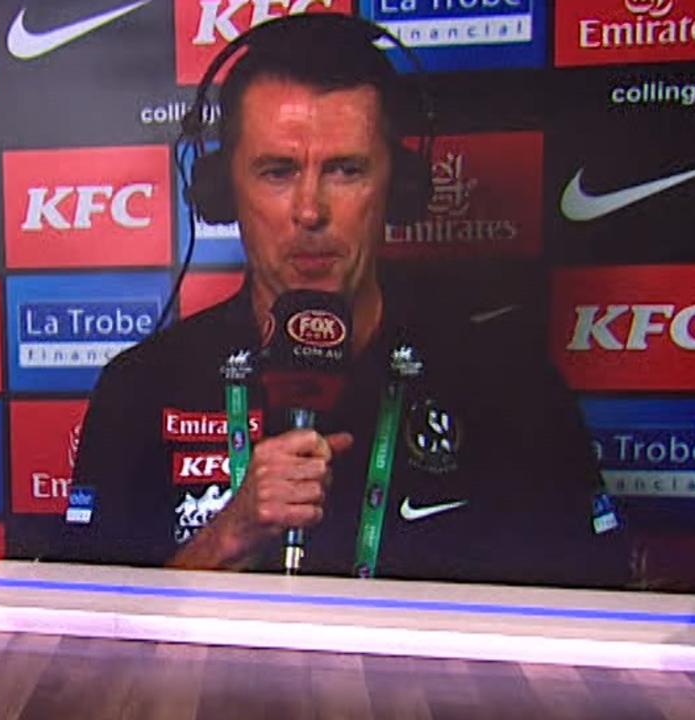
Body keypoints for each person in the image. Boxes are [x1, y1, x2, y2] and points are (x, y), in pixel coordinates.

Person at [59, 15, 632, 589]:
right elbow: (78, 639)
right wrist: (222, 540)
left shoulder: (512, 387)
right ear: (221, 189)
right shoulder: (140, 388)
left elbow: (599, 613)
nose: (310, 211)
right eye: (278, 172)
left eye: (346, 170)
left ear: (400, 187)